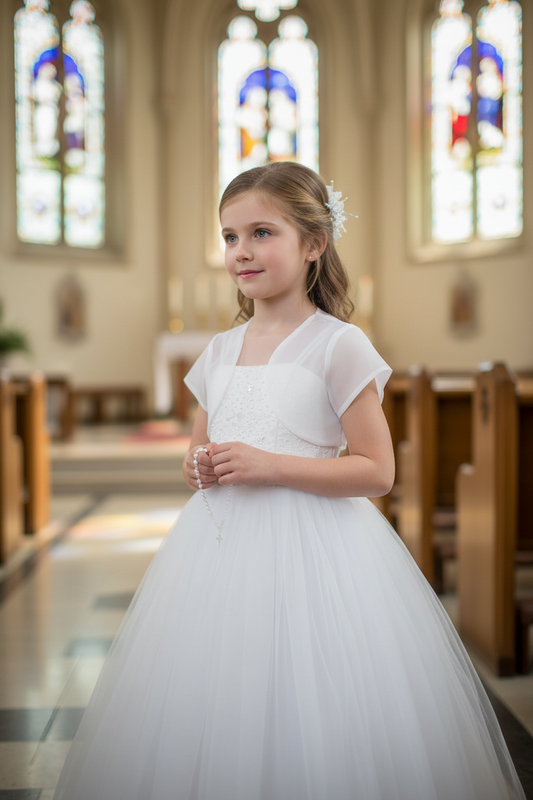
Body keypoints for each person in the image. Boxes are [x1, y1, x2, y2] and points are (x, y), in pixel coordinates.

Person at [53, 162, 525, 800]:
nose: (241, 251)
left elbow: (378, 471)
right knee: (221, 697)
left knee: (310, 699)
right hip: (217, 555)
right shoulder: (220, 350)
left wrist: (268, 465)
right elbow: (196, 454)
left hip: (319, 551)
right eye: (229, 237)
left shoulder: (338, 345)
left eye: (261, 233)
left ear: (314, 244)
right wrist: (197, 466)